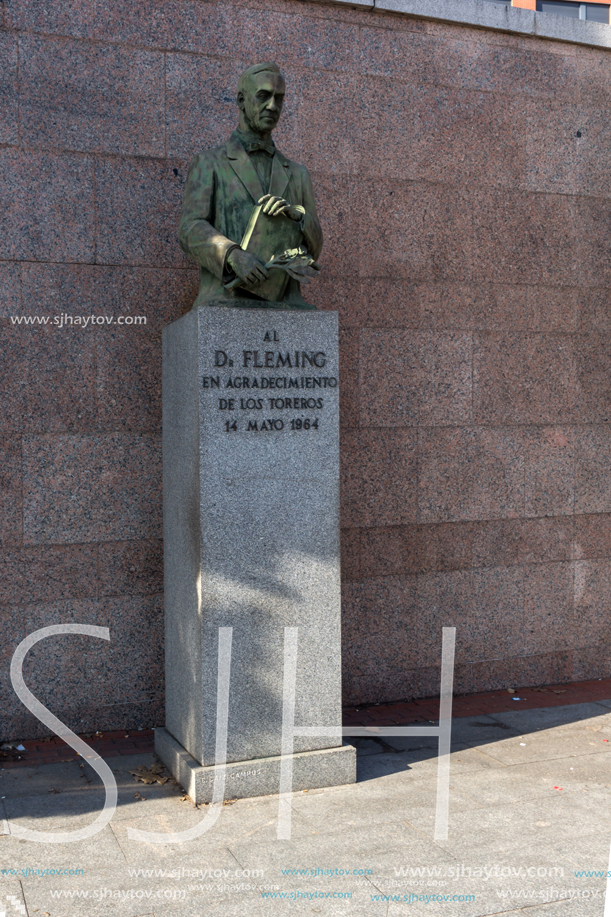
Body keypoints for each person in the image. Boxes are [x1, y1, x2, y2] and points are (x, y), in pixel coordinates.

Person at [179, 61, 323, 309]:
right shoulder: (209, 163)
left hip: (285, 302)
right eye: (264, 96)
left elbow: (316, 244)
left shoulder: (298, 174)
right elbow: (190, 228)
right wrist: (231, 255)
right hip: (224, 299)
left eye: (279, 98)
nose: (273, 106)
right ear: (241, 100)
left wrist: (297, 216)